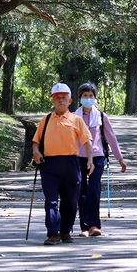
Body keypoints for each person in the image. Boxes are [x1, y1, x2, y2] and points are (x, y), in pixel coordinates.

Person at [31, 82, 93, 245]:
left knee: (71, 201)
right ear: (52, 100)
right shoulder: (45, 120)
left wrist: (90, 160)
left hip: (71, 164)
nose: (60, 100)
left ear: (70, 100)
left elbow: (87, 142)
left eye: (64, 97)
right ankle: (53, 233)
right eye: (57, 97)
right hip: (49, 165)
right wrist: (36, 152)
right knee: (50, 200)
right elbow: (36, 142)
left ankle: (65, 231)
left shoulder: (76, 120)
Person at [75, 82, 127, 238]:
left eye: (91, 96)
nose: (88, 99)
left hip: (97, 156)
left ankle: (95, 225)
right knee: (81, 191)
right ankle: (84, 227)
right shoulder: (73, 117)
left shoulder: (101, 117)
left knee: (94, 189)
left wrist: (120, 159)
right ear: (80, 98)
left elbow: (111, 138)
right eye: (85, 96)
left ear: (95, 98)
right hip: (78, 157)